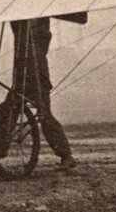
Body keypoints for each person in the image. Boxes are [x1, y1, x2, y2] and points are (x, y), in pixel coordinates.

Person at [10, 17, 76, 172]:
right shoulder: (27, 31)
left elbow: (41, 38)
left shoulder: (38, 37)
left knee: (44, 114)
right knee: (9, 111)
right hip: (23, 75)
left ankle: (66, 155)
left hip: (37, 77)